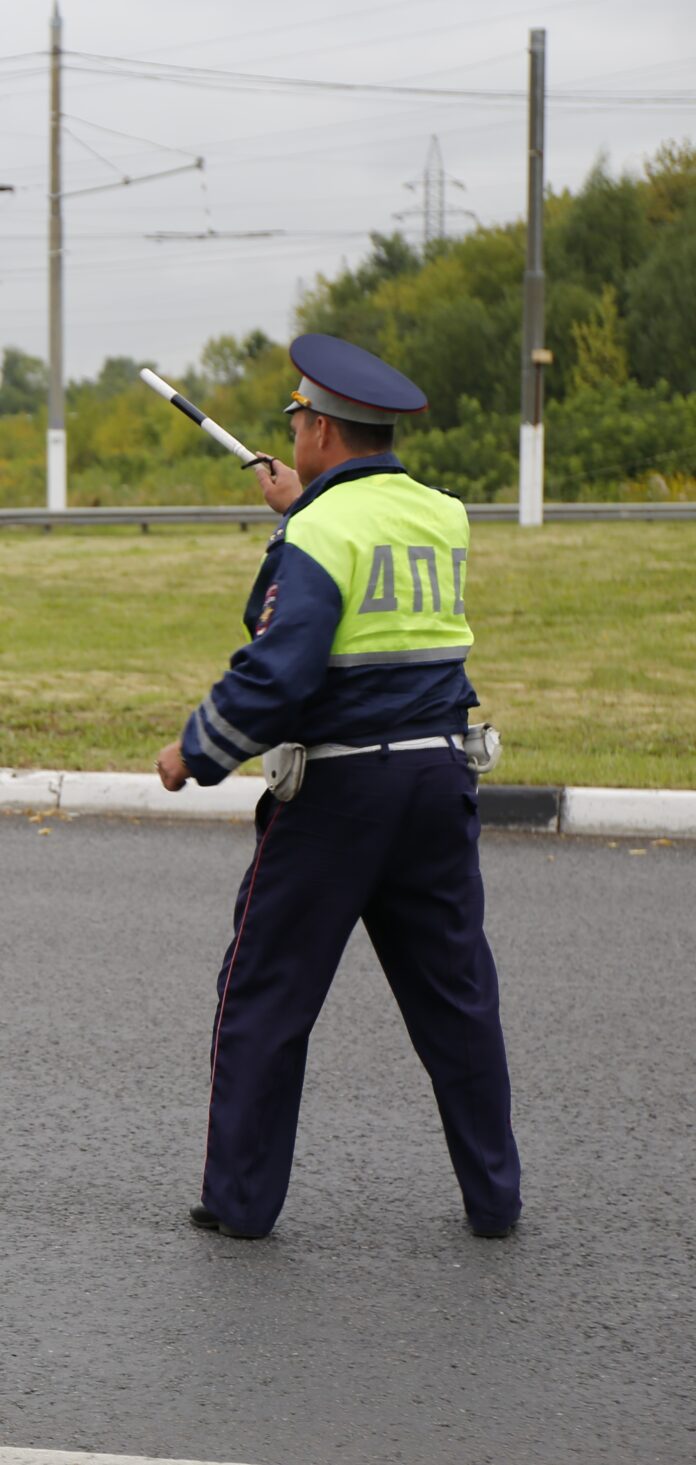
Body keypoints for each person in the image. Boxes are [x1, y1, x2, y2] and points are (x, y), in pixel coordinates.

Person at [156, 333, 522, 1241]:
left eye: (297, 417)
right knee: (457, 996)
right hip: (440, 776)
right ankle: (495, 1198)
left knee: (266, 995)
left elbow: (278, 664)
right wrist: (301, 512)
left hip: (338, 792)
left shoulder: (319, 530)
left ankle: (240, 1205)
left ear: (319, 428)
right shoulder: (445, 513)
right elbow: (375, 593)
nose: (294, 431)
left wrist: (194, 751)